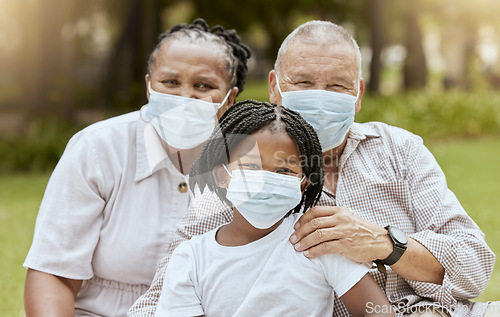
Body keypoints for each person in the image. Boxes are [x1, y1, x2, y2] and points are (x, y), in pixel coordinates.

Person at [129, 21, 497, 317]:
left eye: (338, 85)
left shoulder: (398, 150)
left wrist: (383, 243)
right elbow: (162, 294)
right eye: (303, 82)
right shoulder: (237, 171)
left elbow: (474, 266)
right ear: (274, 86)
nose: (320, 95)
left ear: (358, 94)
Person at [23, 18, 251, 316]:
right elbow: (54, 271)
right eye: (170, 82)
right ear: (149, 86)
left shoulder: (252, 162)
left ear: (229, 99)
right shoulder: (97, 148)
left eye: (203, 85)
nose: (184, 96)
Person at [156, 100, 394, 316]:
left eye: (284, 171)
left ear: (303, 184)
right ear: (221, 176)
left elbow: (377, 312)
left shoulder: (318, 242)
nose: (265, 180)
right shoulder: (191, 259)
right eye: (251, 166)